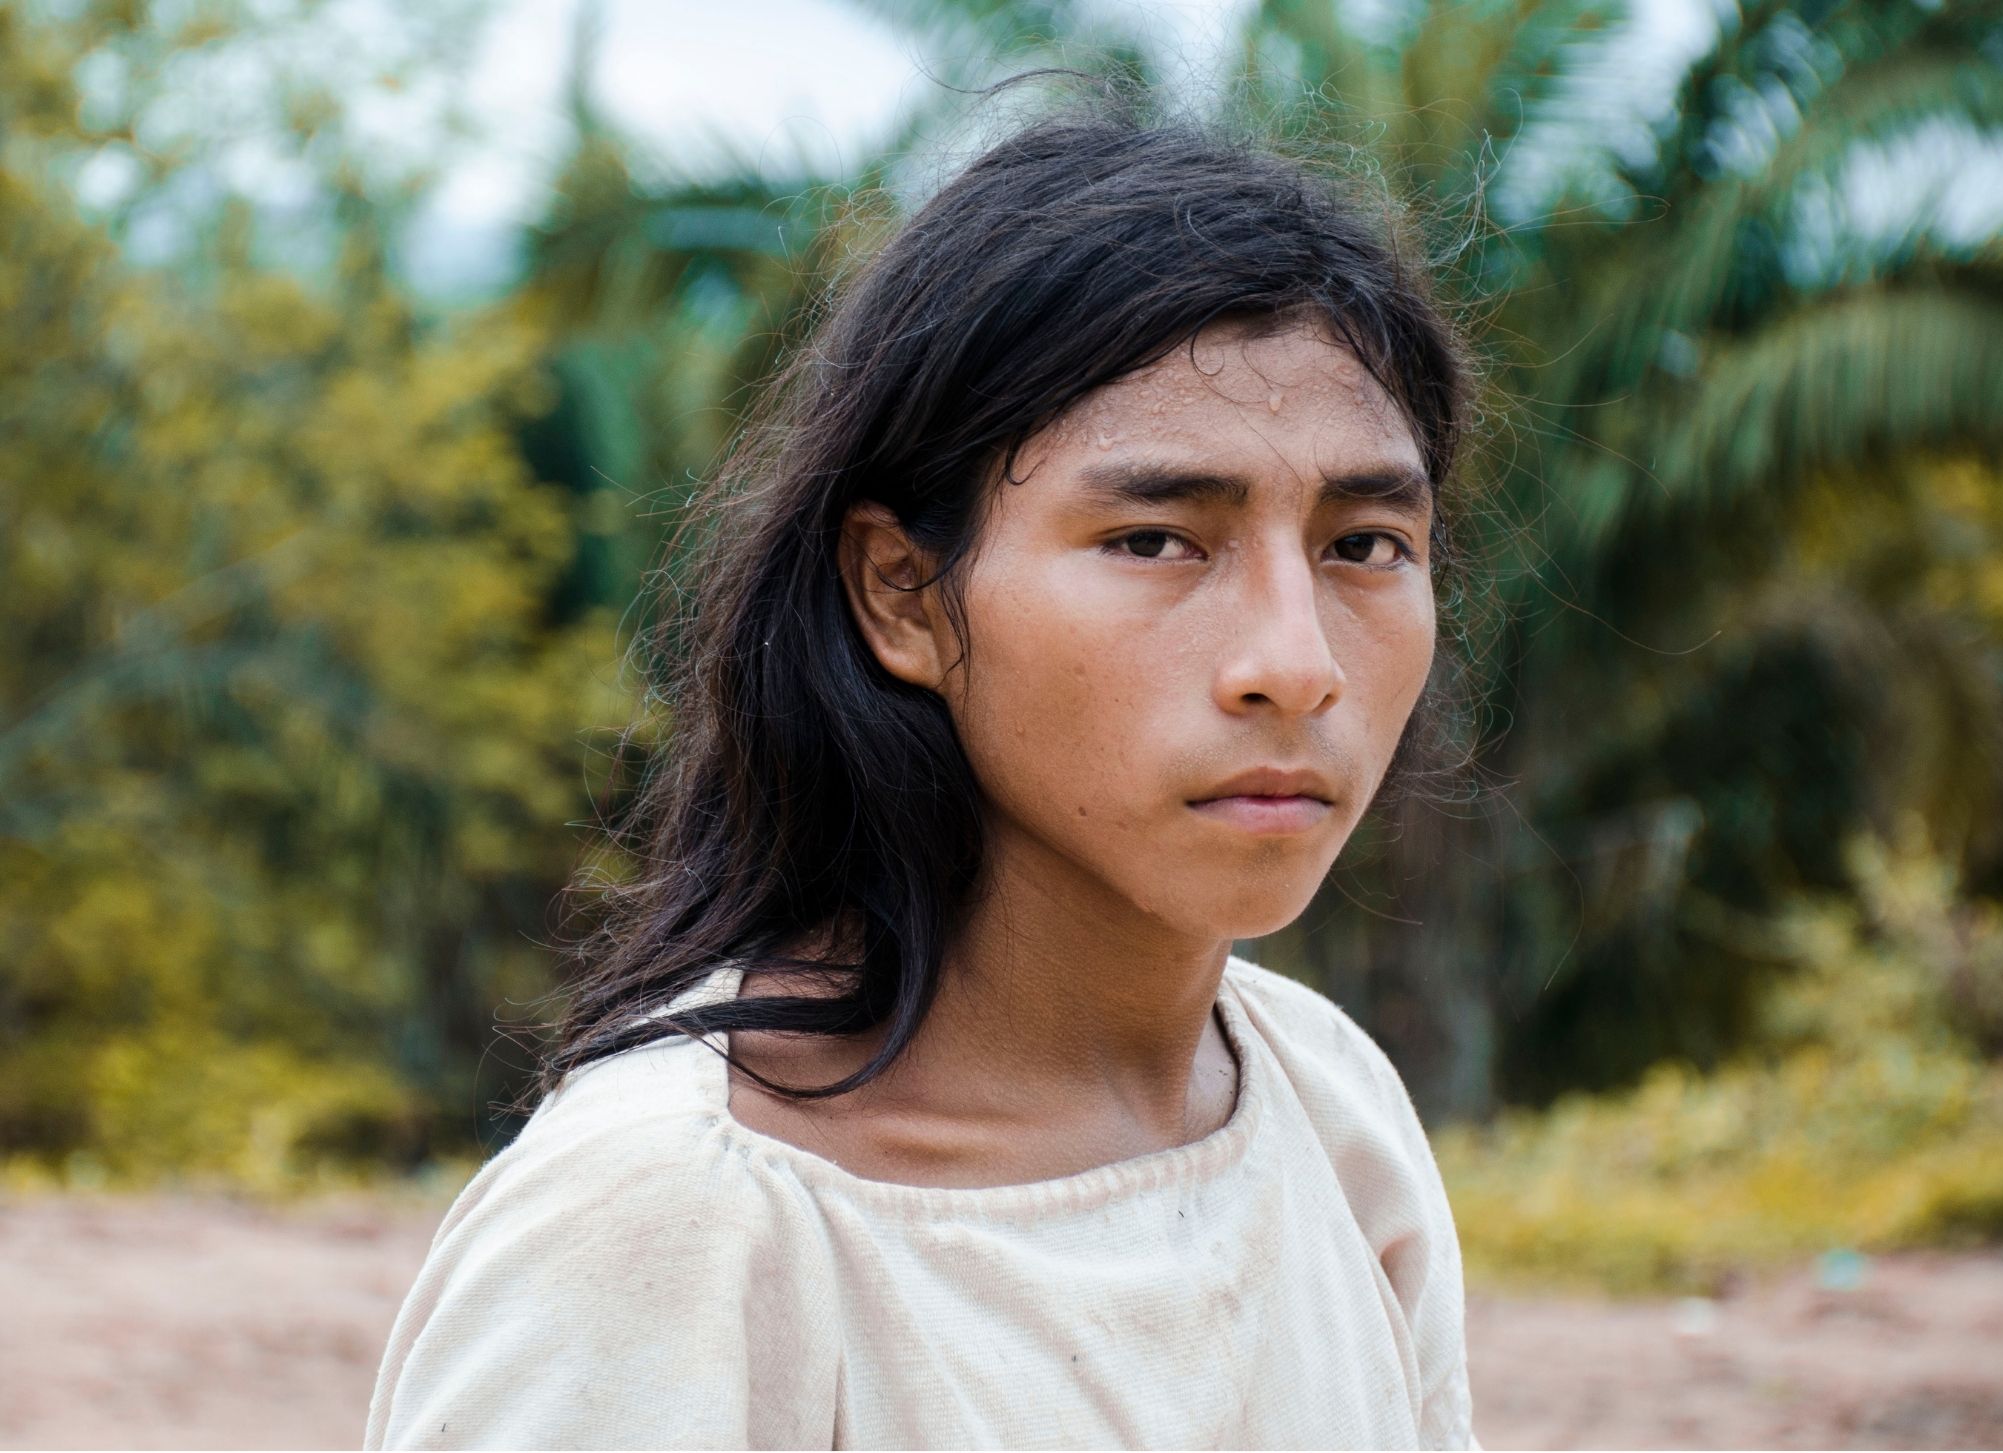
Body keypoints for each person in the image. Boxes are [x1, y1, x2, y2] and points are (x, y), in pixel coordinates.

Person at [365, 99, 1483, 1450]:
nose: (1293, 663)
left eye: (1365, 544)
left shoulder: (1322, 1102)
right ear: (905, 593)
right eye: (1154, 539)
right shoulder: (684, 1223)